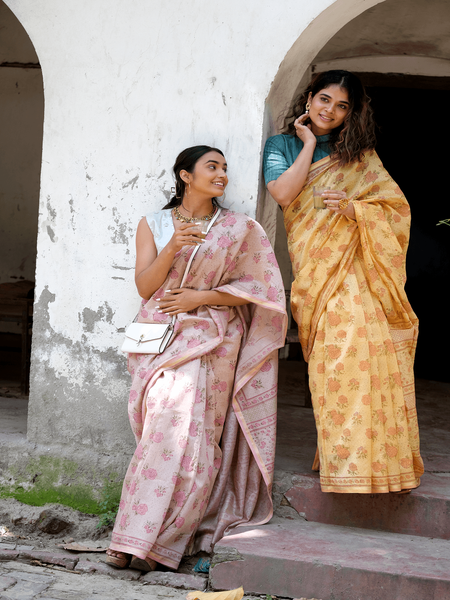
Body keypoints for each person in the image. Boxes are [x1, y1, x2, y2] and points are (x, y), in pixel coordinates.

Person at [106, 145, 287, 571]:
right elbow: (145, 287)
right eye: (212, 166)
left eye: (225, 168)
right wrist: (173, 247)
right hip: (164, 336)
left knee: (200, 437)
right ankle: (136, 534)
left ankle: (160, 543)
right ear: (185, 176)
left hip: (217, 338)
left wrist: (201, 296)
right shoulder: (152, 223)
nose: (222, 174)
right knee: (165, 430)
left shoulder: (240, 228)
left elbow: (263, 288)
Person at [263, 70, 424, 494]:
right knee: (332, 364)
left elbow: (395, 211)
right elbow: (282, 194)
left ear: (353, 112)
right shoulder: (282, 145)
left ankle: (372, 460)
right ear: (310, 98)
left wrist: (356, 211)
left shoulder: (361, 154)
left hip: (357, 273)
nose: (330, 111)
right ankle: (343, 457)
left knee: (368, 357)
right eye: (325, 100)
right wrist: (310, 144)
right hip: (316, 273)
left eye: (342, 106)